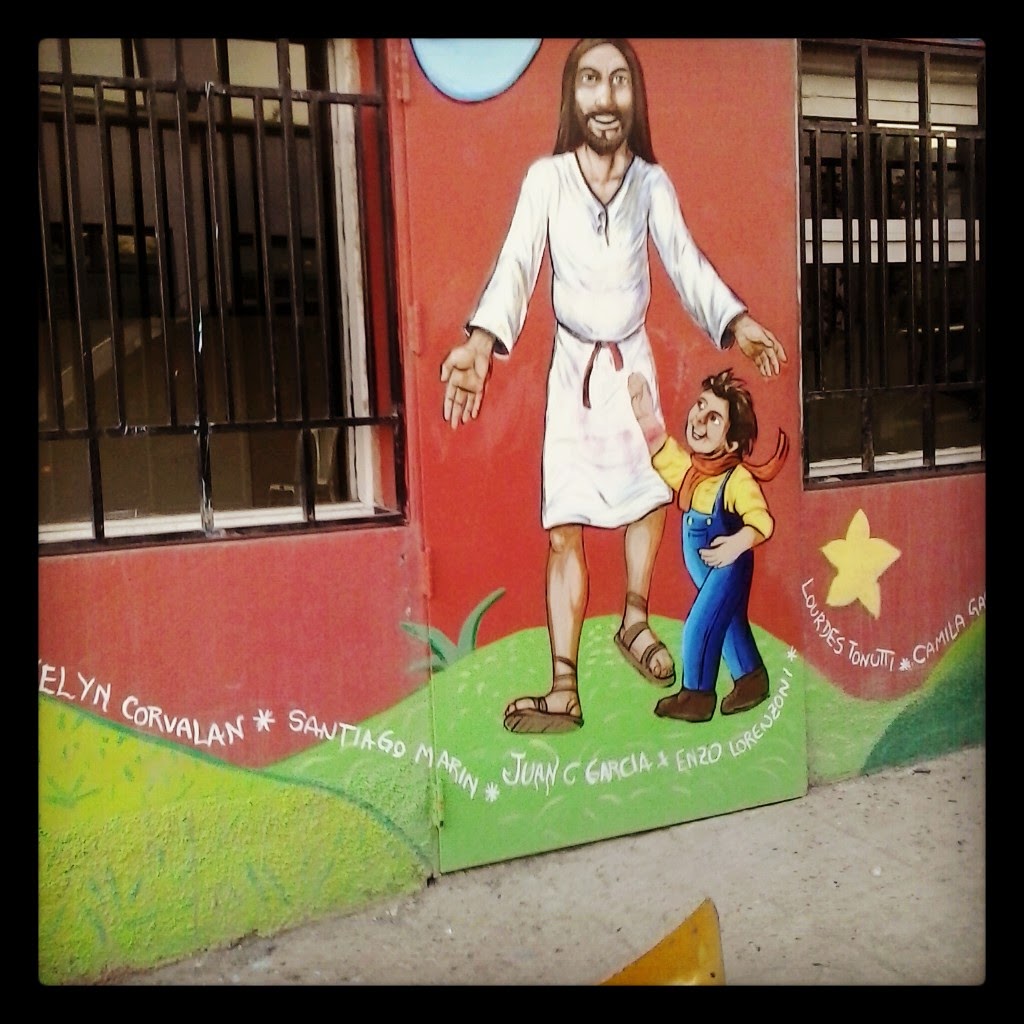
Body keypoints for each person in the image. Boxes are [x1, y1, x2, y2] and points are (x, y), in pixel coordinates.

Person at [439, 38, 787, 734]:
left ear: (636, 96)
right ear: (572, 95)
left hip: (632, 369)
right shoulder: (547, 180)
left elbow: (684, 261)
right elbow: (515, 266)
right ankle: (564, 686)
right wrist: (479, 344)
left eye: (620, 80)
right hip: (573, 373)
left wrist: (735, 320)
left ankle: (634, 619)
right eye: (592, 80)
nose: (606, 96)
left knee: (650, 499)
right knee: (563, 529)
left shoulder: (651, 185)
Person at [628, 368, 788, 721]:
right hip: (709, 570)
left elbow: (762, 521)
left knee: (700, 625)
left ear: (731, 443)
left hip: (728, 567)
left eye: (714, 417)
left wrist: (737, 544)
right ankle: (751, 679)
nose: (699, 419)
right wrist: (644, 413)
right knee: (729, 623)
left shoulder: (736, 480)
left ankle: (697, 696)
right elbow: (662, 451)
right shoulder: (694, 472)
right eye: (700, 406)